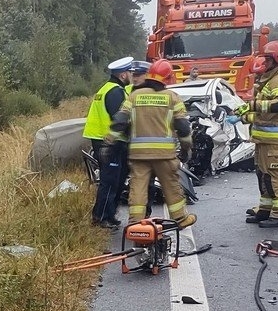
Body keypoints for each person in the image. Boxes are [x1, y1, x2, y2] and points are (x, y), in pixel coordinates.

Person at [106, 59, 196, 229]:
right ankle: (180, 218)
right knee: (171, 185)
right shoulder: (172, 98)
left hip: (139, 155)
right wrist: (186, 148)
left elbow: (120, 121)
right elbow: (183, 127)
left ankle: (136, 224)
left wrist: (109, 141)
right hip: (165, 155)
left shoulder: (134, 96)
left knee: (138, 188)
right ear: (168, 78)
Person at [240, 40, 278, 228]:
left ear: (277, 59)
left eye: (267, 59)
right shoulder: (273, 77)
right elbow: (266, 113)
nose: (264, 63)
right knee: (264, 174)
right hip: (265, 138)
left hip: (276, 140)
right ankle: (266, 209)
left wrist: (251, 106)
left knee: (275, 174)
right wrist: (246, 117)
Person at [83, 57, 135, 228]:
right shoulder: (115, 92)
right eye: (129, 72)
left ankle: (109, 214)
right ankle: (102, 216)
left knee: (117, 179)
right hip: (109, 142)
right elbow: (119, 119)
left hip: (104, 140)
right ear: (122, 75)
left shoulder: (109, 88)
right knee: (110, 180)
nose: (132, 75)